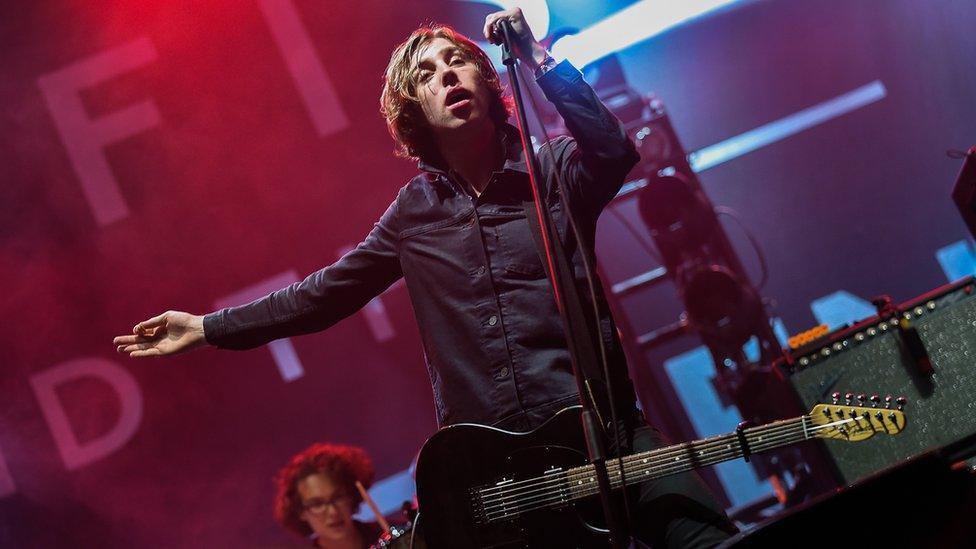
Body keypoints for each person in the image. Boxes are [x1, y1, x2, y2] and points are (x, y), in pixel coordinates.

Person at [114, 8, 737, 547]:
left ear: (488, 86)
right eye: (426, 75)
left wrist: (538, 58)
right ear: (416, 111)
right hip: (498, 477)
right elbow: (324, 296)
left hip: (605, 437)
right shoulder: (414, 214)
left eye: (456, 63)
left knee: (704, 535)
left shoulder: (552, 174)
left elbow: (612, 150)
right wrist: (208, 327)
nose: (445, 76)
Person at [274, 443, 382, 549]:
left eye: (338, 497)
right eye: (317, 504)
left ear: (351, 495)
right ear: (301, 512)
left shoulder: (393, 536)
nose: (333, 512)